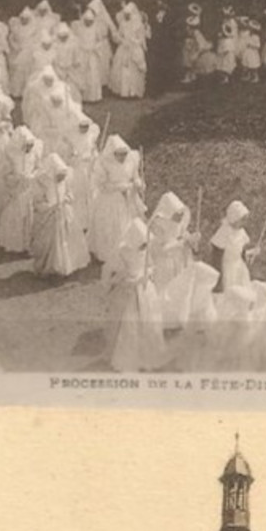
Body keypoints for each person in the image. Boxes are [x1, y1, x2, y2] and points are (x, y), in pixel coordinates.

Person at [106, 218, 168, 373]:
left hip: (146, 290)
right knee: (131, 324)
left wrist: (148, 274)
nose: (144, 247)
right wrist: (132, 280)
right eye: (141, 243)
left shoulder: (145, 249)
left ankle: (150, 355)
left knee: (150, 320)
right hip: (131, 292)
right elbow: (115, 276)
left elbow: (151, 265)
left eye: (145, 244)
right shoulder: (123, 252)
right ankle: (131, 357)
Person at [29, 153, 90, 278]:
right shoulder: (41, 182)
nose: (61, 178)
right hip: (49, 216)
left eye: (63, 175)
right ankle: (49, 266)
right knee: (50, 243)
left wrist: (66, 200)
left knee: (67, 240)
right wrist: (49, 207)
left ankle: (65, 265)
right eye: (59, 176)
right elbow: (37, 202)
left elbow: (69, 193)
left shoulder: (65, 180)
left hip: (64, 212)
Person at [89, 135, 145, 265]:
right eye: (119, 155)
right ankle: (110, 254)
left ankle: (128, 251)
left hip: (128, 198)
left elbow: (135, 176)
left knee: (129, 224)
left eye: (124, 154)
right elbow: (103, 186)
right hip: (111, 199)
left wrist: (138, 183)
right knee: (112, 227)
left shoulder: (131, 161)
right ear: (113, 153)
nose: (122, 157)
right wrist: (123, 186)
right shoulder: (104, 164)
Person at [0, 126, 40, 255]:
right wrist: (16, 178)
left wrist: (32, 176)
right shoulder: (11, 156)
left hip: (28, 188)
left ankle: (28, 242)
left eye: (31, 145)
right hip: (15, 190)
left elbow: (38, 168)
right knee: (15, 215)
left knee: (29, 216)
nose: (29, 148)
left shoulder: (34, 154)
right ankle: (14, 242)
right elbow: (5, 174)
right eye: (27, 146)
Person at [110, 3, 147, 98]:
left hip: (134, 48)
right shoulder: (122, 23)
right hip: (124, 48)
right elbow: (120, 34)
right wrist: (119, 39)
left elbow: (141, 38)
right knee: (123, 70)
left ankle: (134, 92)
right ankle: (124, 92)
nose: (126, 16)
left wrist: (134, 42)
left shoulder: (138, 25)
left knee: (133, 70)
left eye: (128, 15)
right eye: (125, 14)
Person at [70, 8, 103, 102]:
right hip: (82, 54)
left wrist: (95, 48)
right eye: (87, 21)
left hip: (92, 54)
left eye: (90, 21)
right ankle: (82, 96)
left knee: (92, 74)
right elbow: (75, 41)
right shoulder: (79, 29)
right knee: (81, 74)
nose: (88, 23)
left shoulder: (96, 29)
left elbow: (100, 41)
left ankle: (93, 96)